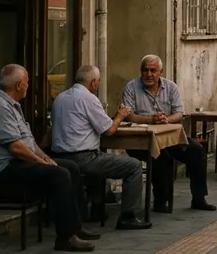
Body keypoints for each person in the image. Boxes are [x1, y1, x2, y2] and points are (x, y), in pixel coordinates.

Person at [0, 65, 98, 252]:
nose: (28, 85)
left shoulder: (12, 106)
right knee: (60, 175)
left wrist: (46, 159)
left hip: (18, 163)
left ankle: (75, 226)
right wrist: (43, 163)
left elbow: (29, 143)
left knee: (71, 167)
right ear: (18, 85)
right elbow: (16, 147)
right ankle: (65, 238)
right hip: (2, 170)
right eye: (27, 82)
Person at [51, 65, 149, 230]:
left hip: (60, 156)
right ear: (93, 82)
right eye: (98, 82)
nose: (98, 84)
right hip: (82, 158)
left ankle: (97, 208)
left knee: (99, 162)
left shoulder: (60, 97)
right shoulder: (88, 98)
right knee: (133, 166)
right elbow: (109, 130)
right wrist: (120, 116)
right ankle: (128, 216)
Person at [121, 56, 213, 214]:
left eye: (153, 70)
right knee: (161, 155)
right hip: (141, 140)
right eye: (145, 70)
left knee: (197, 151)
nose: (149, 74)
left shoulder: (171, 87)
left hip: (169, 137)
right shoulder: (131, 87)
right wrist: (151, 119)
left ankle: (199, 198)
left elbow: (179, 113)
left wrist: (167, 119)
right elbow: (128, 116)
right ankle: (161, 200)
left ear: (161, 72)